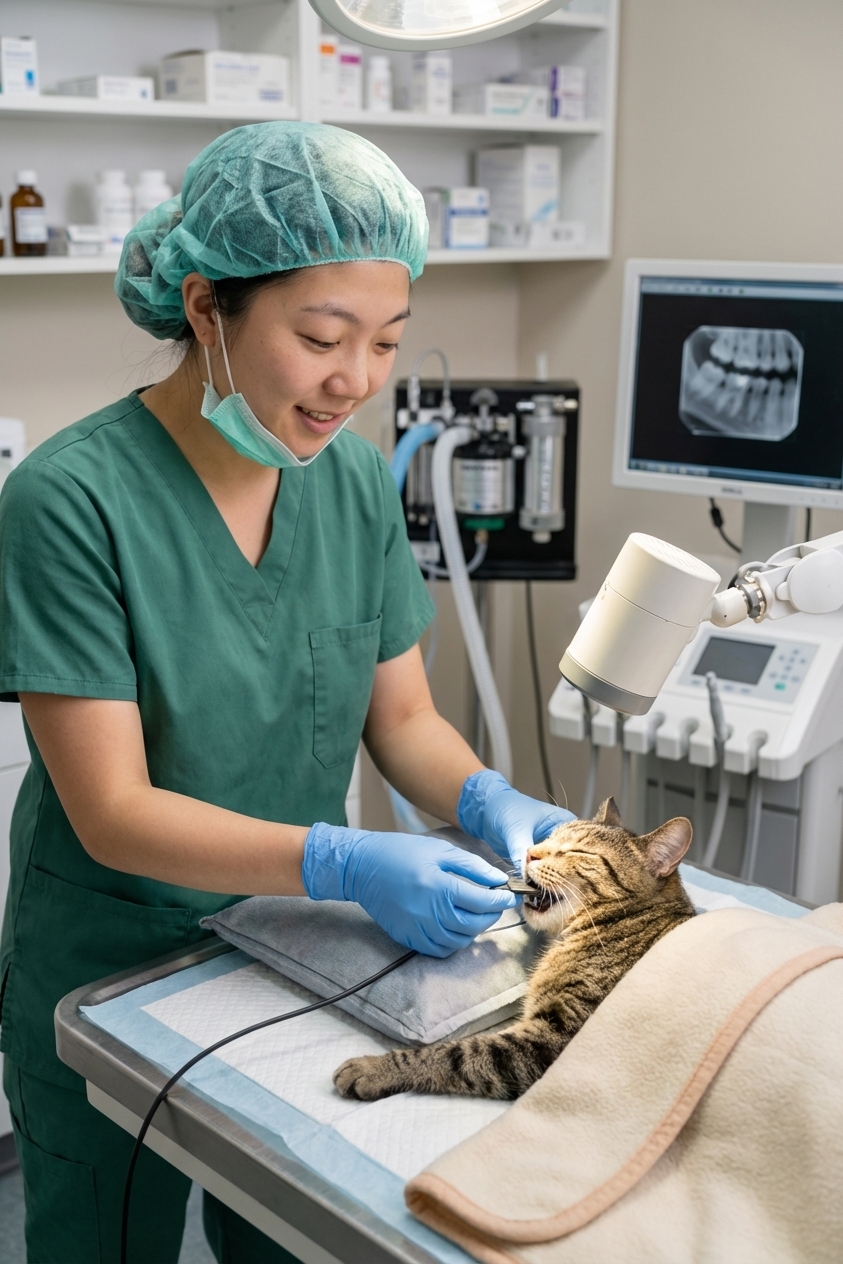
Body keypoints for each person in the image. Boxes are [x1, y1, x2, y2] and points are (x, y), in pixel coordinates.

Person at [0, 122, 574, 1263]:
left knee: (289, 1226)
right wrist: (345, 860)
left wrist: (494, 801)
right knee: (106, 1235)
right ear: (207, 309)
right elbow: (112, 811)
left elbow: (402, 719)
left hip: (300, 953)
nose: (353, 382)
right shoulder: (68, 500)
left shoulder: (352, 480)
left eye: (386, 343)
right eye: (320, 337)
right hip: (113, 965)